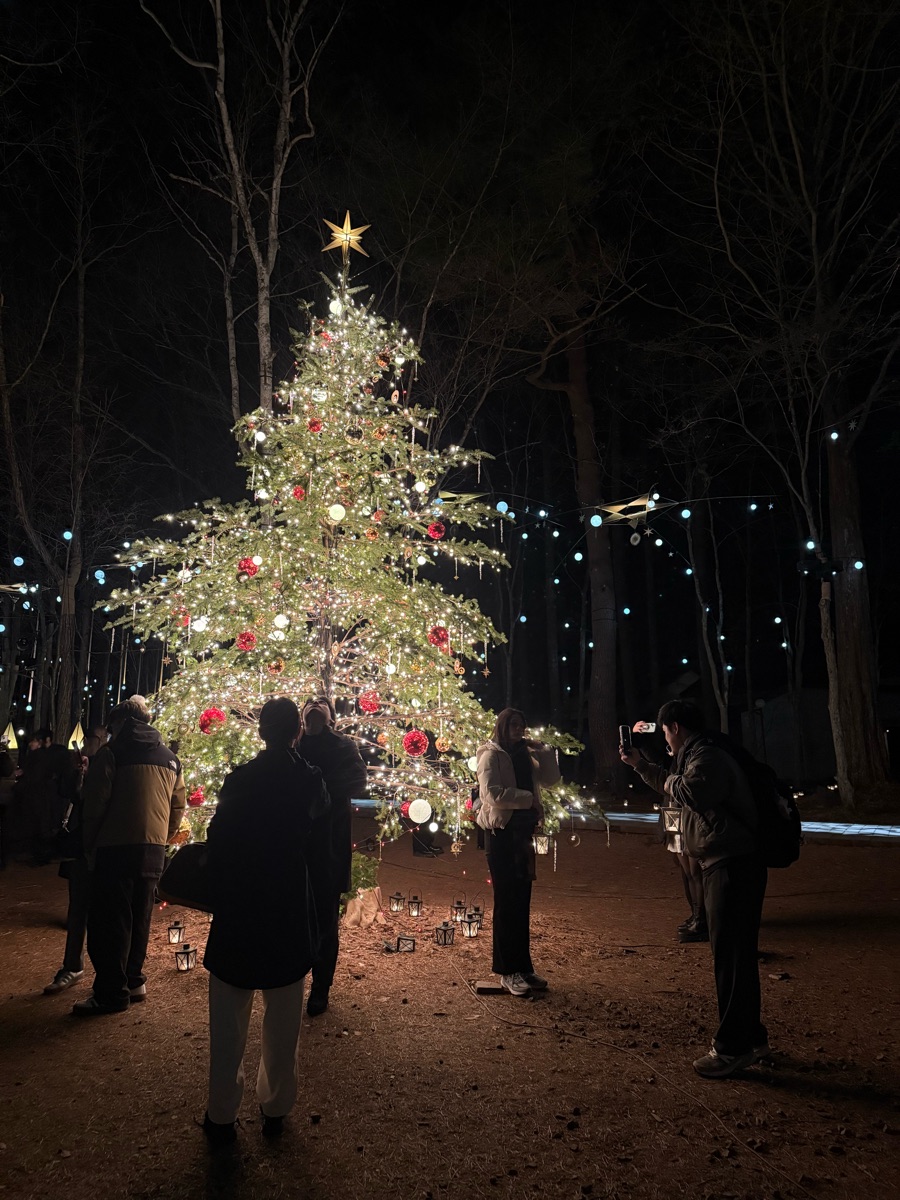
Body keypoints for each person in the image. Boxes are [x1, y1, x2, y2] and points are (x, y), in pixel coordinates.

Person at [202, 697, 331, 1145]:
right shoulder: (308, 779)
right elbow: (320, 819)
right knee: (284, 1013)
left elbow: (218, 836)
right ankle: (275, 1106)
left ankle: (221, 1113)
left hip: (241, 901)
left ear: (261, 732)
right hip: (286, 901)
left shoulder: (241, 778)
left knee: (228, 1014)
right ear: (297, 731)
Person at [620, 699, 769, 1079]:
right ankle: (751, 1037)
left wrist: (669, 777)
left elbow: (692, 792)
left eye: (665, 731)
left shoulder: (707, 755)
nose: (665, 740)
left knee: (731, 958)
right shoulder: (698, 754)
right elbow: (679, 788)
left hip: (731, 863)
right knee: (735, 957)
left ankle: (732, 1048)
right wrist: (641, 766)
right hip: (727, 861)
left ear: (675, 727)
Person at [74, 696, 185, 1016]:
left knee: (110, 922)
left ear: (121, 722)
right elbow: (178, 807)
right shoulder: (170, 759)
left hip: (115, 847)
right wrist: (161, 839)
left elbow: (95, 805)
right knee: (140, 917)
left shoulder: (112, 754)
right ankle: (134, 981)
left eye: (111, 727)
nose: (109, 732)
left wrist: (89, 845)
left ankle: (111, 993)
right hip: (153, 850)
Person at [475, 708, 560, 997]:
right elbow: (492, 794)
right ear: (502, 726)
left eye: (521, 725)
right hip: (501, 835)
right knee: (507, 902)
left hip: (524, 834)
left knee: (522, 901)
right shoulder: (491, 755)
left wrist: (544, 751)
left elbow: (551, 780)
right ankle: (507, 971)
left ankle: (523, 967)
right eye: (512, 724)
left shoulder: (526, 755)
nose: (518, 729)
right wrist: (529, 800)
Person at [296, 697, 368, 1017]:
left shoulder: (343, 746)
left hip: (328, 846)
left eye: (322, 703)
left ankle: (320, 988)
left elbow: (358, 780)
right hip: (295, 848)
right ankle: (293, 981)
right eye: (310, 702)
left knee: (326, 920)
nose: (316, 704)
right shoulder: (292, 743)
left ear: (331, 716)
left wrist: (317, 786)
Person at [42, 729, 107, 995]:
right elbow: (69, 794)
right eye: (87, 740)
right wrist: (78, 773)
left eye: (93, 740)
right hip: (82, 845)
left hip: (106, 844)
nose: (88, 744)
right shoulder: (79, 765)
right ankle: (72, 965)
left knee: (103, 913)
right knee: (78, 908)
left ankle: (106, 973)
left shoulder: (112, 761)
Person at [632, 721, 707, 944]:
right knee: (686, 871)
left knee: (695, 871)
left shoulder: (697, 752)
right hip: (673, 814)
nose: (664, 734)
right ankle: (695, 915)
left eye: (665, 730)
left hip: (688, 815)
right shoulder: (674, 752)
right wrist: (640, 739)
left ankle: (702, 919)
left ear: (676, 728)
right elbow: (659, 763)